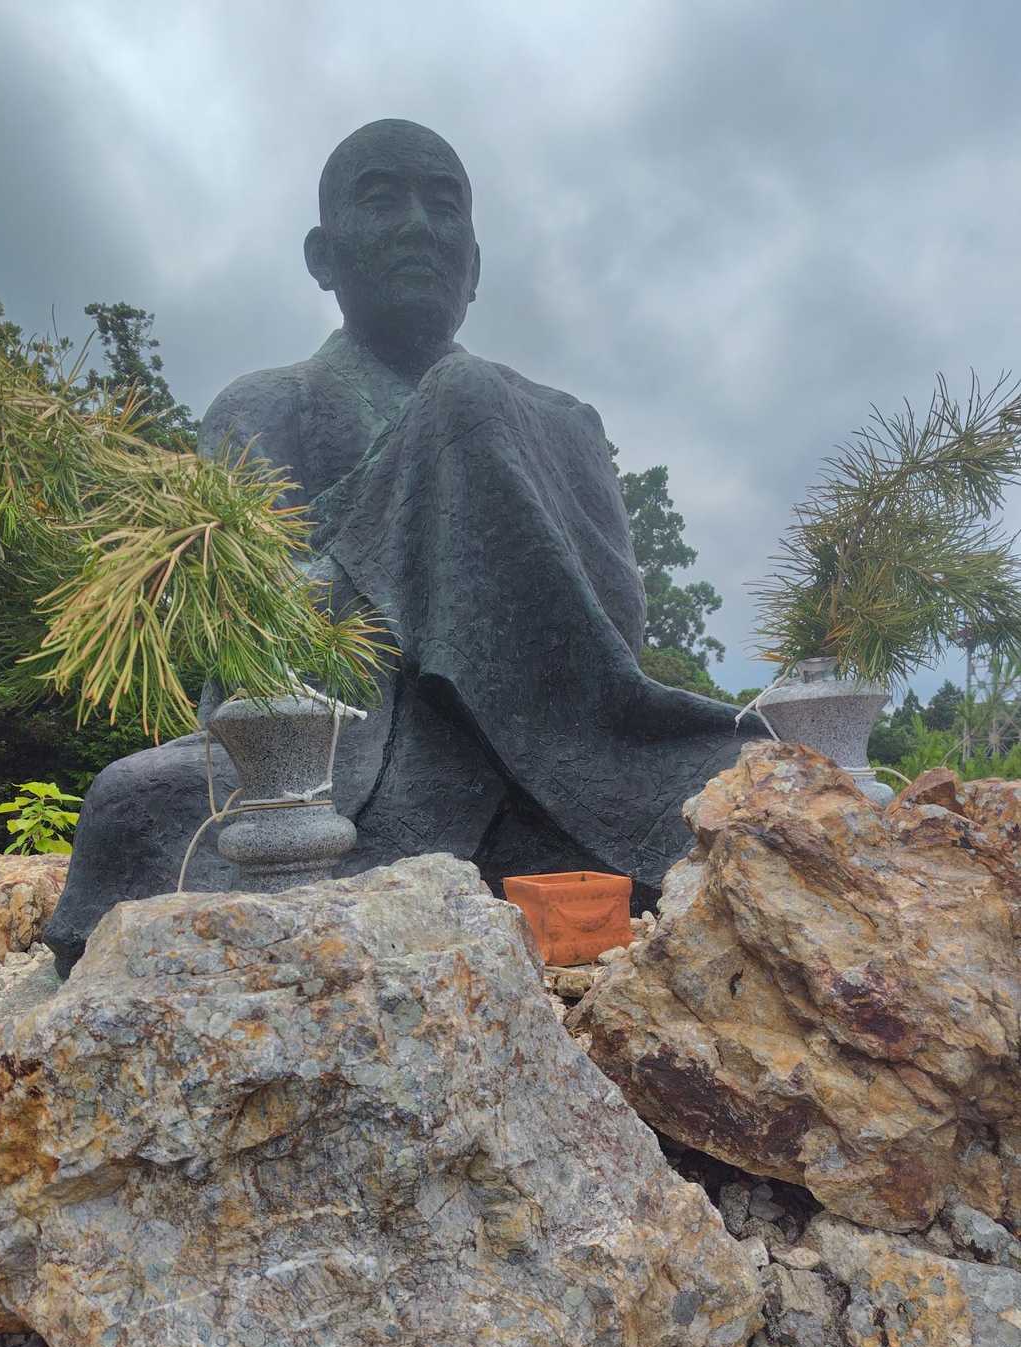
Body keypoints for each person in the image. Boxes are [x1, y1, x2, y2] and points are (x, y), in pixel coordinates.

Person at [45, 119, 759, 975]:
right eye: (382, 200)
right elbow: (255, 632)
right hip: (339, 754)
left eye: (444, 205)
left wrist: (460, 438)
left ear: (475, 266)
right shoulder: (266, 407)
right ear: (323, 256)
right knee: (130, 805)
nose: (419, 225)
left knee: (740, 778)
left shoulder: (553, 422)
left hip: (530, 755)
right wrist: (420, 487)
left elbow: (612, 630)